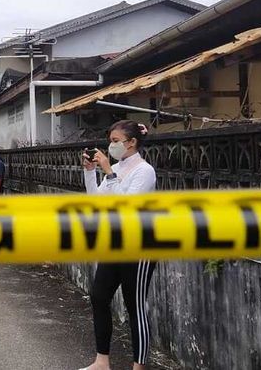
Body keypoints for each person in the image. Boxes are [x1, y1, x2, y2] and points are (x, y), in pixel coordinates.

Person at [79, 120, 157, 370]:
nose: (111, 146)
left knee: (134, 306)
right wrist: (91, 171)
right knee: (99, 297)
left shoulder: (144, 171)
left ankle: (139, 366)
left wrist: (109, 174)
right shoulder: (115, 168)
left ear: (131, 142)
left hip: (139, 246)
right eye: (110, 141)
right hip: (115, 244)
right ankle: (102, 361)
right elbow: (96, 200)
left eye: (115, 141)